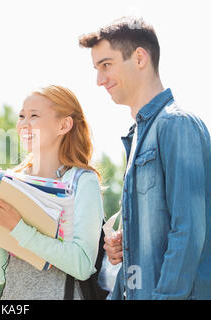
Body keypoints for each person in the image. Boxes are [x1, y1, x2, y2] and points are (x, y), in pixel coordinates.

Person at [79, 17, 210, 299]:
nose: (99, 80)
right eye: (97, 69)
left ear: (139, 57)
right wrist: (128, 244)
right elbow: (161, 228)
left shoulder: (177, 124)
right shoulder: (137, 134)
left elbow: (189, 231)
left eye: (106, 65)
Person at [0, 85, 104, 299]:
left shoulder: (82, 182)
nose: (23, 124)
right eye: (21, 116)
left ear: (64, 124)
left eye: (34, 116)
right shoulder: (11, 181)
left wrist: (18, 227)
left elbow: (83, 265)